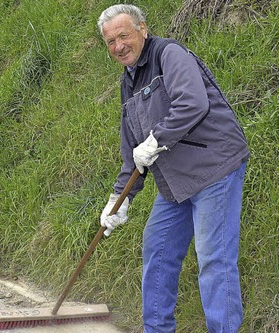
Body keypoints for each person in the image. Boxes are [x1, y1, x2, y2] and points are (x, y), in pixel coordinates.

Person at [96, 4, 250, 333]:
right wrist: (118, 200)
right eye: (111, 42)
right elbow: (132, 151)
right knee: (158, 250)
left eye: (124, 35)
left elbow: (193, 102)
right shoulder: (128, 81)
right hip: (176, 185)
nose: (119, 46)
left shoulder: (169, 54)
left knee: (213, 259)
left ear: (143, 29)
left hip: (214, 168)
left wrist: (156, 139)